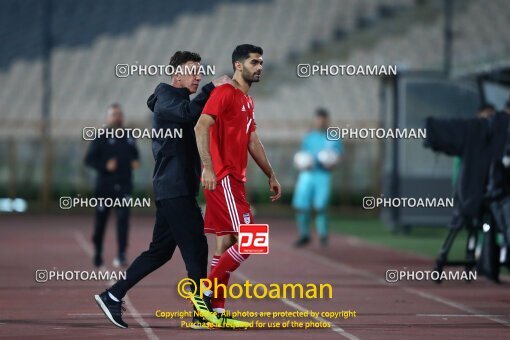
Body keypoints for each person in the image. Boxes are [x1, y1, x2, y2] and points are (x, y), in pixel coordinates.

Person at [94, 51, 232, 329]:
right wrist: (211, 87)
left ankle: (113, 294)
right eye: (193, 70)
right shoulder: (167, 96)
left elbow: (197, 120)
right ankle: (200, 313)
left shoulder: (176, 99)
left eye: (200, 71)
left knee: (159, 252)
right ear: (176, 74)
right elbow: (188, 113)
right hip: (175, 189)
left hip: (175, 188)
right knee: (196, 248)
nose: (198, 75)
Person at [194, 44, 281, 327]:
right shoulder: (224, 93)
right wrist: (208, 166)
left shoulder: (246, 101)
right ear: (238, 65)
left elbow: (252, 141)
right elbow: (201, 126)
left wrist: (271, 173)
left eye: (261, 62)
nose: (260, 67)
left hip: (235, 180)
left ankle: (214, 314)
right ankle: (203, 293)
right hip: (223, 177)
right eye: (254, 62)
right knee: (251, 241)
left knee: (228, 241)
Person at [85, 103, 140, 268]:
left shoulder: (129, 137)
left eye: (119, 114)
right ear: (108, 118)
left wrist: (134, 162)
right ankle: (98, 251)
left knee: (123, 220)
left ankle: (121, 254)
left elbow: (135, 156)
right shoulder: (100, 137)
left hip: (124, 186)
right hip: (105, 187)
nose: (117, 117)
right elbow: (89, 160)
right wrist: (105, 165)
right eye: (114, 114)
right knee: (101, 221)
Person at [292, 108, 342, 247]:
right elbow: (302, 156)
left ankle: (323, 235)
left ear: (327, 120)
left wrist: (332, 163)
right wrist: (302, 164)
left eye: (323, 119)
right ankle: (304, 235)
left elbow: (337, 157)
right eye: (318, 119)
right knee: (301, 206)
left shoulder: (333, 136)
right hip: (307, 174)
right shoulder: (308, 136)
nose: (320, 122)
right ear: (315, 120)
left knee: (321, 206)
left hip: (323, 175)